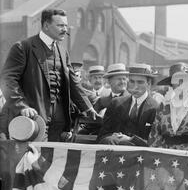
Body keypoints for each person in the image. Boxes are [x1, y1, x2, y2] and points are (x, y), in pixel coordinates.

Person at [0, 8, 98, 142]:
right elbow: (7, 79)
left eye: (66, 25)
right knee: (34, 158)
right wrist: (21, 106)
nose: (65, 29)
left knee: (53, 158)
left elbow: (73, 82)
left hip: (60, 120)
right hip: (34, 119)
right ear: (46, 25)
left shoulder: (63, 52)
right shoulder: (23, 47)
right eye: (60, 25)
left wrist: (87, 106)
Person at [148, 63, 188, 152]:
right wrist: (162, 154)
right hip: (165, 158)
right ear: (171, 83)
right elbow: (154, 135)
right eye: (177, 80)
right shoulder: (163, 107)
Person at [97, 64, 159, 146]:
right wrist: (113, 138)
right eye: (132, 81)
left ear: (149, 83)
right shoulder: (116, 103)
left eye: (140, 82)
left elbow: (154, 143)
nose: (135, 87)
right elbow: (102, 135)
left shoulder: (155, 108)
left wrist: (130, 140)